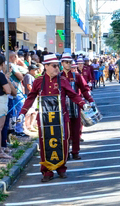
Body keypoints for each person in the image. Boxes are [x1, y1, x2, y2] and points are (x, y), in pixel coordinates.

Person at [21, 54, 89, 182]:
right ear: (46, 66)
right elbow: (30, 98)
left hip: (61, 119)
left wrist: (83, 104)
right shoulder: (38, 81)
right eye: (54, 66)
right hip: (45, 120)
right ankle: (47, 172)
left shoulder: (62, 81)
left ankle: (61, 168)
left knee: (62, 143)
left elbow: (73, 95)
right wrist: (22, 113)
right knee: (45, 144)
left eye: (58, 66)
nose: (57, 68)